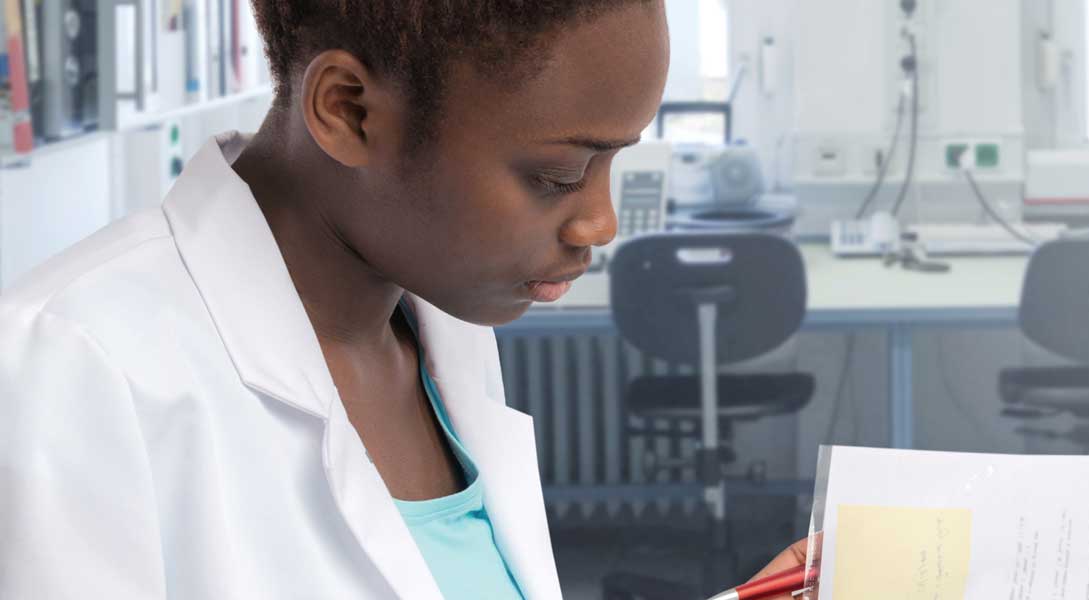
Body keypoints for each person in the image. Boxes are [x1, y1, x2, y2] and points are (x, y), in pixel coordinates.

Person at [0, 1, 802, 597]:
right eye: (556, 176)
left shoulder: (442, 331)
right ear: (347, 110)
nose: (601, 221)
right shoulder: (66, 369)